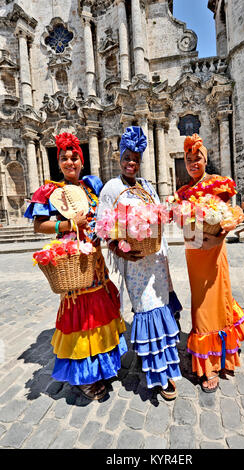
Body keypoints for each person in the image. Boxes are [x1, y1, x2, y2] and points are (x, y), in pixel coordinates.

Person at [24, 132, 127, 400]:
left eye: (74, 158)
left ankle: (103, 366)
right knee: (82, 317)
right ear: (59, 162)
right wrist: (69, 224)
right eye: (65, 158)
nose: (70, 162)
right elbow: (38, 225)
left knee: (102, 312)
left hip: (96, 261)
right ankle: (84, 376)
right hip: (73, 264)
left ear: (82, 162)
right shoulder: (50, 191)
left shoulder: (91, 187)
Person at [98, 126, 182, 400]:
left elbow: (157, 217)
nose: (131, 163)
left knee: (162, 307)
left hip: (156, 259)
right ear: (119, 158)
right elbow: (103, 227)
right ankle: (157, 373)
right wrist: (119, 251)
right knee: (147, 310)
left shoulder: (147, 186)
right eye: (127, 157)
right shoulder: (112, 188)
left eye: (136, 158)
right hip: (134, 263)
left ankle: (167, 366)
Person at [175, 134, 244, 393]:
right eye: (188, 159)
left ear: (205, 159)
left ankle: (215, 361)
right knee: (200, 307)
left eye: (197, 158)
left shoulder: (218, 184)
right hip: (193, 254)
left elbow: (231, 214)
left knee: (218, 301)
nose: (192, 162)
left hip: (214, 253)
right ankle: (210, 358)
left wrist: (219, 235)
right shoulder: (183, 193)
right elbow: (183, 224)